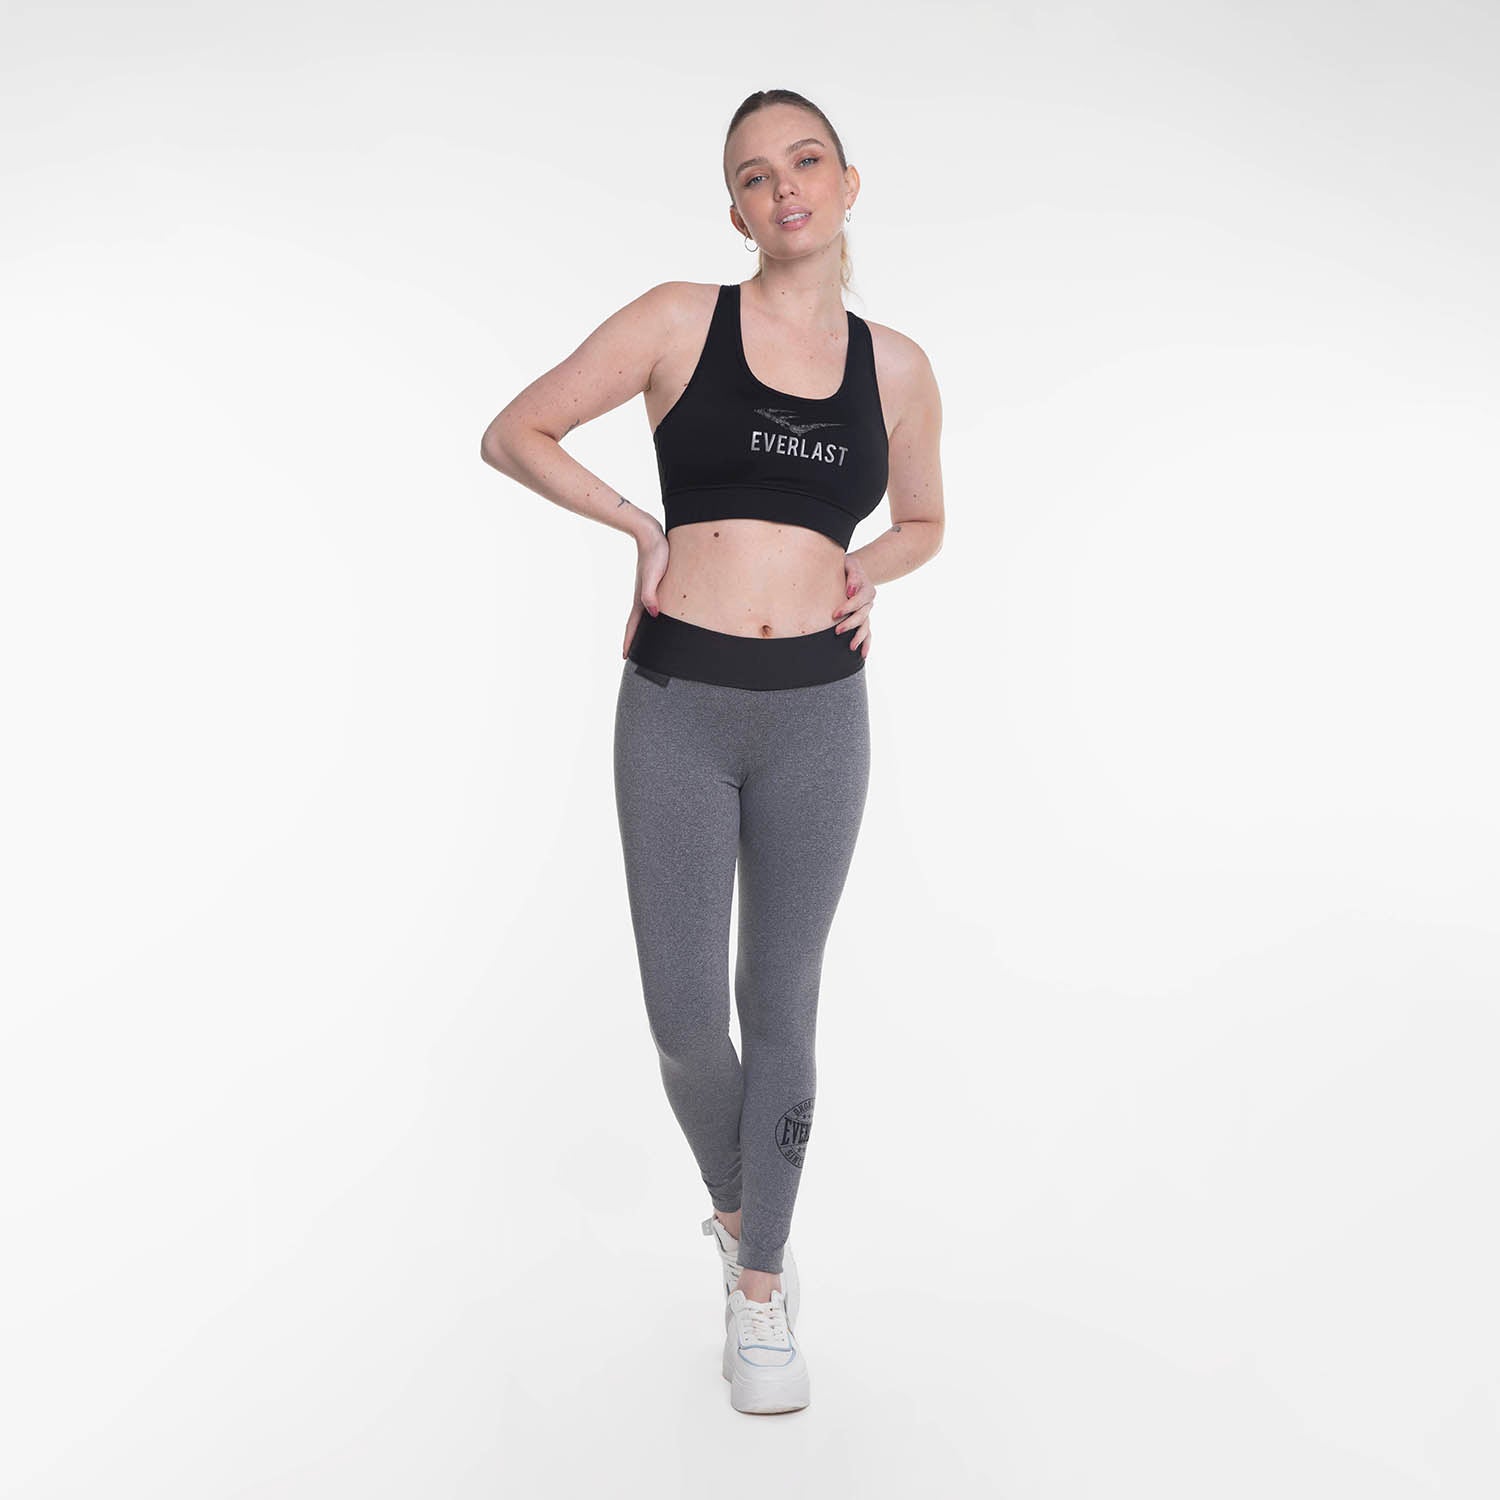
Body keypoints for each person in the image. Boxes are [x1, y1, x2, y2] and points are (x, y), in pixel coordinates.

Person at [479, 88, 945, 1414]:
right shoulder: (680, 319)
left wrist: (868, 570)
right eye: (752, 174)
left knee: (782, 1005)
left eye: (805, 161)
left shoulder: (898, 368)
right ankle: (749, 1214)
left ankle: (761, 1290)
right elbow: (515, 431)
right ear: (735, 209)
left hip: (817, 713)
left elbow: (925, 520)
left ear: (848, 184)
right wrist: (641, 528)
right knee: (687, 1019)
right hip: (680, 701)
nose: (782, 186)